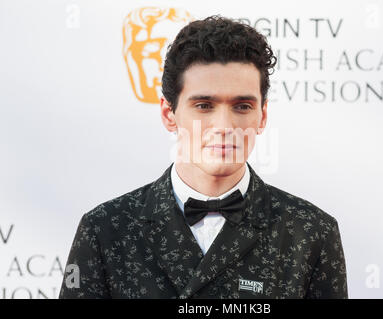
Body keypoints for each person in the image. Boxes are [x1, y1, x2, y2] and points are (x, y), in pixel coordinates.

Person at [59, 15, 348, 299]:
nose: (224, 127)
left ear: (263, 115)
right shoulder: (105, 229)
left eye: (242, 106)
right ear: (168, 114)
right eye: (204, 105)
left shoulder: (310, 233)